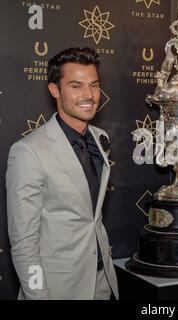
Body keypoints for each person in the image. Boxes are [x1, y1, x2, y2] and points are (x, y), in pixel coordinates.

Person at [6, 47, 118, 300]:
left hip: (102, 282)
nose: (89, 95)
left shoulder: (101, 139)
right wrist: (37, 295)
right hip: (58, 289)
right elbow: (24, 243)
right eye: (76, 86)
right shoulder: (28, 151)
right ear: (55, 90)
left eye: (94, 85)